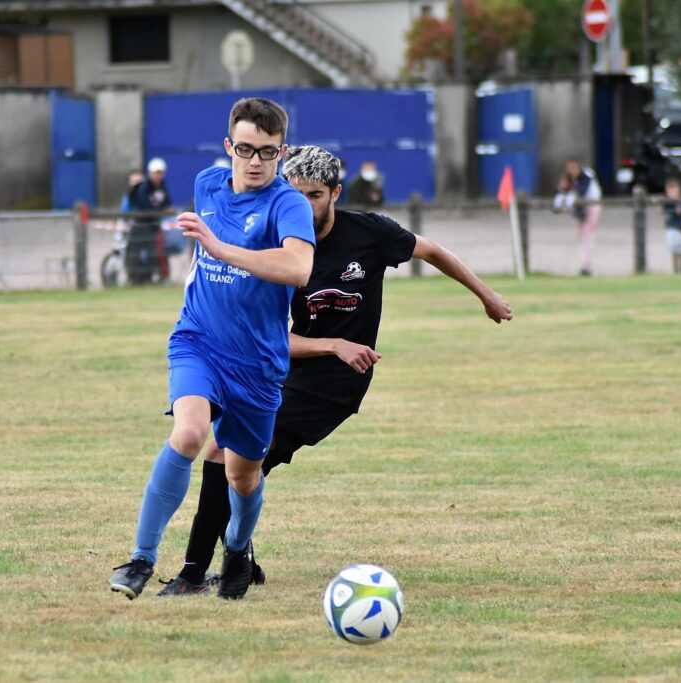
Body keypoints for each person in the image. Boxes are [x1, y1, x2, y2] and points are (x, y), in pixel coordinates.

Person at [156, 144, 513, 597]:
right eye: (295, 193)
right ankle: (232, 561)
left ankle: (199, 574)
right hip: (281, 368)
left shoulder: (370, 233)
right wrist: (332, 343)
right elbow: (268, 336)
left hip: (335, 386)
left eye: (316, 195)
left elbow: (433, 251)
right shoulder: (276, 245)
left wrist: (485, 295)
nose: (304, 205)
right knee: (231, 461)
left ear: (335, 193)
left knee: (226, 458)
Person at [108, 97, 315, 601]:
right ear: (229, 147)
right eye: (246, 149)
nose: (256, 161)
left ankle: (238, 549)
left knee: (243, 477)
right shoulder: (207, 183)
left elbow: (298, 269)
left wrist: (220, 250)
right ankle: (141, 559)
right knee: (190, 432)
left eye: (268, 152)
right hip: (198, 342)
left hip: (259, 365)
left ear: (281, 152)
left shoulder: (287, 205)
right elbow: (201, 259)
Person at [126, 157, 172, 284]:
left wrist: (162, 209)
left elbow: (167, 202)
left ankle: (149, 278)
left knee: (153, 253)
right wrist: (160, 210)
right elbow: (145, 206)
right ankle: (135, 279)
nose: (158, 176)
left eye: (160, 173)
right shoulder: (144, 188)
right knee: (135, 252)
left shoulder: (162, 187)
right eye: (155, 173)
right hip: (141, 225)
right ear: (150, 173)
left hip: (153, 226)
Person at [553, 160, 602, 276]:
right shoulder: (569, 179)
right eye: (569, 168)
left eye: (574, 168)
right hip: (577, 209)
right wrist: (561, 187)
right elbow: (557, 191)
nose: (572, 171)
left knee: (587, 235)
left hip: (591, 207)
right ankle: (584, 264)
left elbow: (582, 192)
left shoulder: (587, 176)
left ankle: (586, 265)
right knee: (581, 236)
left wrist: (570, 187)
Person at [661, 179, 681, 275]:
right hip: (670, 228)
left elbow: (680, 212)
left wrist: (676, 203)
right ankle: (675, 270)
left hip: (679, 229)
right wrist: (662, 203)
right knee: (673, 250)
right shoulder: (667, 203)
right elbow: (661, 212)